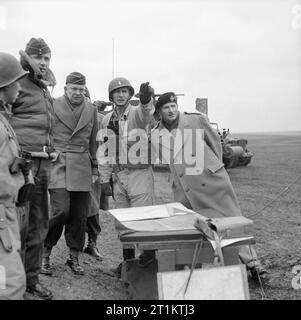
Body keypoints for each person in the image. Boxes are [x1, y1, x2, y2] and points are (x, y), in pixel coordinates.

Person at [151, 92, 267, 279]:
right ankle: (196, 269)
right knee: (192, 228)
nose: (171, 110)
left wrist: (213, 167)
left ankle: (252, 262)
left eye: (174, 106)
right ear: (159, 112)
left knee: (231, 220)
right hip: (184, 189)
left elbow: (215, 145)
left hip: (211, 181)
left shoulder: (196, 120)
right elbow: (166, 160)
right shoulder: (156, 133)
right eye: (166, 108)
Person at [10, 38, 56, 300]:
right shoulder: (15, 82)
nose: (42, 62)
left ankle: (31, 280)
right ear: (27, 57)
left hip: (43, 164)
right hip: (21, 165)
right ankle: (13, 283)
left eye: (47, 58)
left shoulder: (43, 87)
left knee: (39, 223)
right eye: (37, 57)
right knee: (18, 225)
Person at [41, 72, 99, 276]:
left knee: (79, 215)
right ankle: (44, 253)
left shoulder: (91, 109)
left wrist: (95, 168)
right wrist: (50, 152)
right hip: (59, 164)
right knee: (61, 211)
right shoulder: (53, 104)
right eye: (74, 89)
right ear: (66, 88)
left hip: (82, 166)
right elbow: (44, 132)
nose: (77, 93)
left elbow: (94, 142)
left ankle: (73, 257)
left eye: (81, 90)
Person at [97, 77, 155, 268]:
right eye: (116, 92)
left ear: (130, 94)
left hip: (139, 173)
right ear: (111, 95)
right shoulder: (106, 120)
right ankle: (128, 264)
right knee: (123, 221)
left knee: (144, 219)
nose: (120, 95)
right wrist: (105, 178)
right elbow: (104, 150)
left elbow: (146, 114)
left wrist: (146, 101)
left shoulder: (136, 114)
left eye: (124, 91)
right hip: (119, 175)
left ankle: (147, 263)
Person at [0, 52, 28, 300]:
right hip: (0, 214)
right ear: (3, 86)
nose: (20, 87)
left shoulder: (3, 119)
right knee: (10, 286)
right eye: (16, 82)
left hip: (5, 212)